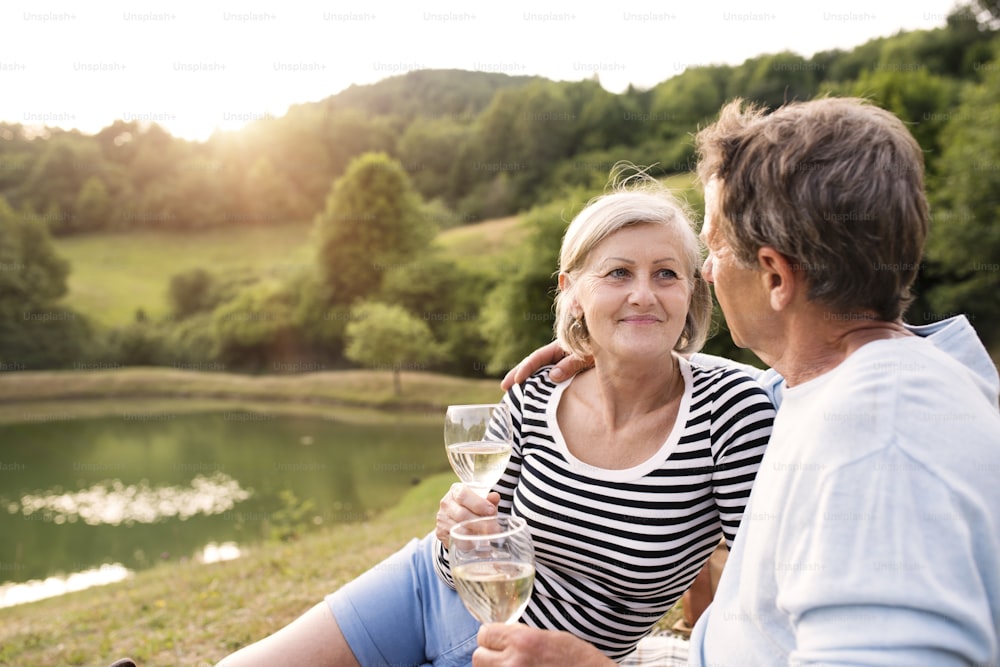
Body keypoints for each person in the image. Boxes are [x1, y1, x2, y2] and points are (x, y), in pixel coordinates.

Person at [477, 97, 1000, 666]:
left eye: (716, 247)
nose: (705, 270)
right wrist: (607, 350)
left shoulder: (878, 452)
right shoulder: (839, 381)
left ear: (774, 276)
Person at [215, 175, 776, 666]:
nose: (642, 294)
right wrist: (456, 524)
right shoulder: (535, 391)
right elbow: (478, 535)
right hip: (425, 590)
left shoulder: (730, 411)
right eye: (617, 272)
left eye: (665, 274)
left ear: (691, 292)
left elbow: (754, 596)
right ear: (572, 292)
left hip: (535, 658)